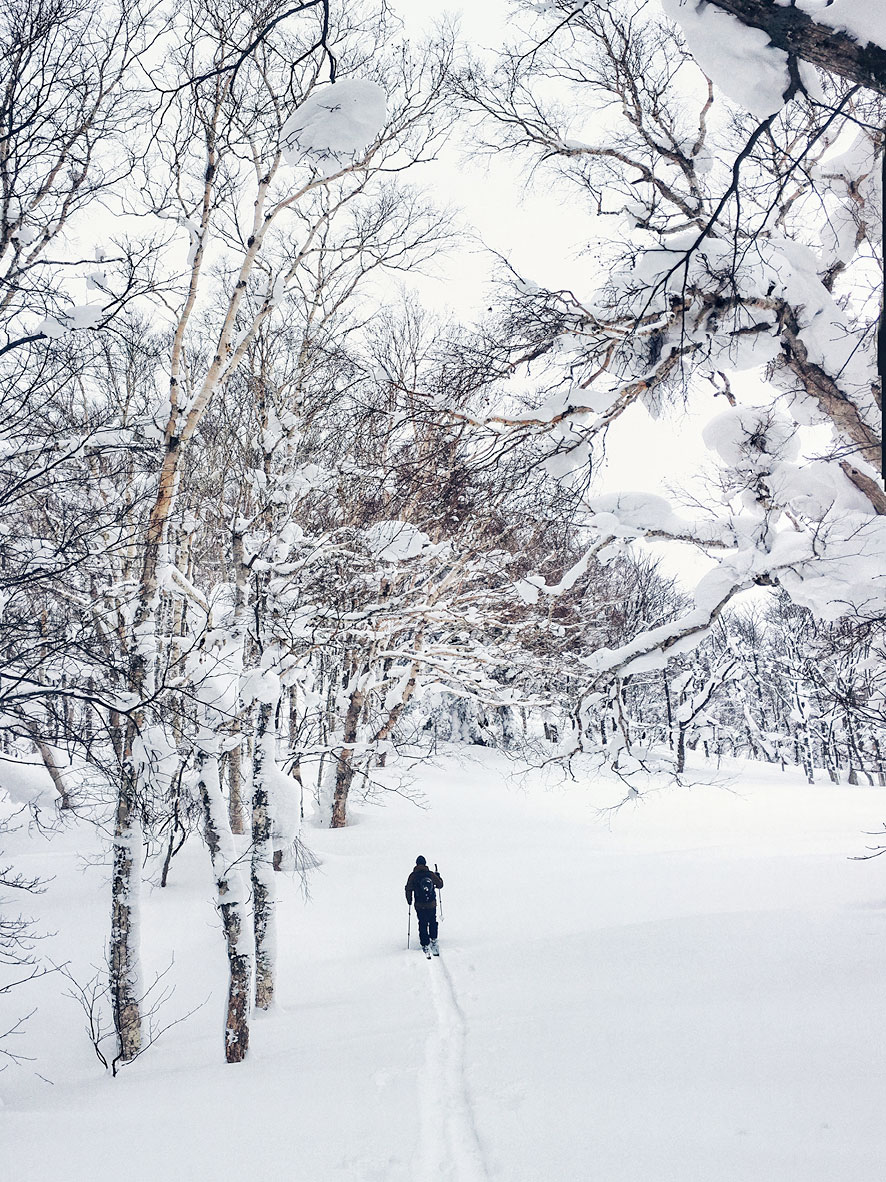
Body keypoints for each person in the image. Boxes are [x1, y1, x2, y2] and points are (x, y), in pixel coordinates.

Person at [405, 855, 443, 955]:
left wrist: (409, 900)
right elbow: (440, 885)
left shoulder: (413, 876)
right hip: (431, 904)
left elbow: (408, 889)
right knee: (432, 921)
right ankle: (433, 939)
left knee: (422, 923)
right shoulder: (430, 874)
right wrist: (438, 876)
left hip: (419, 905)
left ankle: (425, 943)